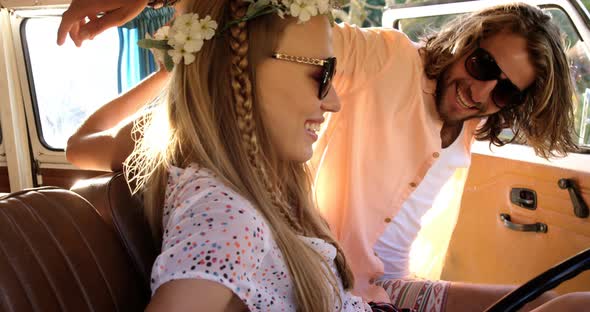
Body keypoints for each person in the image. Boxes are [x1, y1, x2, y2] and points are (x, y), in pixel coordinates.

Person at [61, 1, 590, 311]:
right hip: (359, 284)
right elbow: (269, 33)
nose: (482, 92)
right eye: (481, 64)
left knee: (555, 302)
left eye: (506, 93)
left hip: (374, 286)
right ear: (465, 44)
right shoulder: (387, 59)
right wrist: (184, 55)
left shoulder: (273, 196)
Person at [116, 0, 399, 311]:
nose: (334, 102)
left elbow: (84, 144)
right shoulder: (225, 213)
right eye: (322, 74)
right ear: (239, 71)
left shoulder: (256, 185)